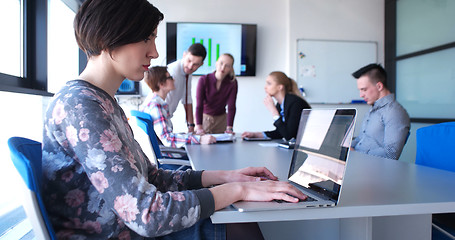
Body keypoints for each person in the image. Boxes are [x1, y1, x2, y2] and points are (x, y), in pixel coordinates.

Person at [41, 0, 306, 239]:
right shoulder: (81, 106)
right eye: (147, 39)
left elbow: (152, 178)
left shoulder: (100, 100)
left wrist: (227, 177)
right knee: (240, 226)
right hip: (115, 233)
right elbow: (148, 215)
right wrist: (239, 191)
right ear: (109, 37)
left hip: (123, 227)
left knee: (241, 220)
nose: (155, 53)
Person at [139, 66, 216, 148]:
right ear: (161, 84)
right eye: (170, 78)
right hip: (168, 154)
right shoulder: (156, 106)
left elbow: (167, 135)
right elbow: (167, 139)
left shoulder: (155, 102)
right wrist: (199, 139)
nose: (174, 80)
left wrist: (191, 135)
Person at [350, 63, 410, 160]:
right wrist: (345, 147)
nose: (361, 95)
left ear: (379, 86)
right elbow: (361, 139)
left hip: (373, 169)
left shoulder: (394, 112)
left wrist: (356, 153)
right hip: (359, 162)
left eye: (364, 89)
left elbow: (391, 154)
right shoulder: (372, 110)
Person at [242, 71, 311, 141]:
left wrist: (273, 111)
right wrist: (256, 135)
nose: (265, 87)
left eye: (269, 84)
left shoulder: (295, 103)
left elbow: (289, 136)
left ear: (280, 87)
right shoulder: (281, 104)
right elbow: (281, 132)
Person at [166, 43, 206, 133]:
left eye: (196, 64)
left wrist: (191, 126)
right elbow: (161, 104)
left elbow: (187, 99)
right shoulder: (172, 72)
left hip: (165, 120)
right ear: (184, 55)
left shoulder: (188, 73)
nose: (190, 66)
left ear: (201, 64)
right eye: (189, 60)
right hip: (158, 120)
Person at [195, 53, 238, 134]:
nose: (223, 67)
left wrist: (229, 128)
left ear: (231, 69)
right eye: (221, 63)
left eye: (227, 66)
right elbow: (199, 106)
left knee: (221, 145)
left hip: (221, 120)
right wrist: (199, 127)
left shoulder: (232, 83)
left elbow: (231, 106)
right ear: (216, 63)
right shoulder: (204, 80)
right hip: (204, 118)